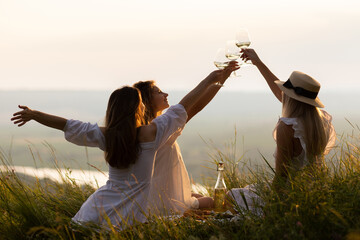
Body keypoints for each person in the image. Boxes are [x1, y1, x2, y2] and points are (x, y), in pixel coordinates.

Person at [11, 62, 238, 228]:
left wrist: (35, 114)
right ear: (139, 109)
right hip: (133, 213)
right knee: (210, 201)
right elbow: (186, 106)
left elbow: (68, 125)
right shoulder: (151, 132)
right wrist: (210, 79)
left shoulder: (108, 135)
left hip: (95, 208)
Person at [226, 49, 336, 213]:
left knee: (230, 196)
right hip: (313, 191)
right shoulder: (321, 122)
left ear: (290, 98)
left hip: (289, 197)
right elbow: (283, 95)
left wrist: (272, 212)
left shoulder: (287, 127)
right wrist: (258, 63)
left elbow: (281, 177)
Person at [132, 71, 235, 214]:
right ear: (147, 100)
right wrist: (212, 79)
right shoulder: (158, 131)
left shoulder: (149, 128)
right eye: (159, 92)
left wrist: (223, 78)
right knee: (212, 202)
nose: (165, 94)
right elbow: (193, 107)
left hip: (154, 195)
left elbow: (195, 107)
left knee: (197, 196)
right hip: (164, 202)